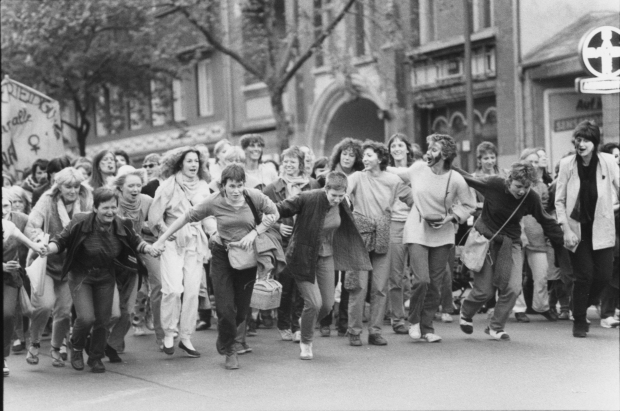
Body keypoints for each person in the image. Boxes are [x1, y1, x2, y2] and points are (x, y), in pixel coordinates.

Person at [152, 164, 280, 370]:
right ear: (223, 186)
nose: (237, 190)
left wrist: (254, 233)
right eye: (232, 186)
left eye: (240, 185)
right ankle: (230, 349)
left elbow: (274, 214)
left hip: (246, 258)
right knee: (225, 308)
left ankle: (227, 336)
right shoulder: (214, 201)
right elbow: (185, 218)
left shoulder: (253, 196)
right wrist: (162, 240)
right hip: (222, 255)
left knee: (241, 311)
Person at [44, 187, 159, 373]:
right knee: (86, 318)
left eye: (114, 207)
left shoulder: (122, 223)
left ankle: (96, 357)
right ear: (95, 208)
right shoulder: (80, 221)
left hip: (106, 275)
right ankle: (77, 348)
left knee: (104, 319)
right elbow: (60, 240)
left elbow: (137, 241)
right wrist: (48, 248)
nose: (110, 212)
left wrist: (149, 249)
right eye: (105, 208)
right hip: (81, 274)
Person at [455, 161, 564, 341]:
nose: (522, 191)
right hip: (486, 240)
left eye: (526, 187)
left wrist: (562, 241)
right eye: (518, 186)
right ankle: (466, 312)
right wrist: (446, 163)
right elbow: (466, 177)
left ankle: (495, 327)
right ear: (509, 180)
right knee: (485, 291)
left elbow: (546, 220)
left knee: (513, 287)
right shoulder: (494, 184)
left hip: (510, 243)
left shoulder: (531, 197)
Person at [276, 171, 372, 359]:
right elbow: (277, 209)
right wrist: (273, 225)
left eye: (340, 195)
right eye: (333, 195)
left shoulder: (344, 203)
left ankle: (306, 322)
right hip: (303, 255)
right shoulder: (308, 197)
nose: (336, 199)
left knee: (327, 306)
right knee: (314, 303)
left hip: (327, 255)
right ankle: (306, 342)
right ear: (325, 189)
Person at [389, 134, 475, 342]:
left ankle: (427, 328)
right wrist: (376, 166)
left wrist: (450, 218)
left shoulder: (455, 179)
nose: (428, 153)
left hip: (443, 234)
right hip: (417, 230)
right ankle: (414, 321)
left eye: (434, 149)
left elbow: (469, 205)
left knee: (436, 284)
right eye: (428, 148)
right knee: (422, 280)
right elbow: (396, 172)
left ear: (445, 155)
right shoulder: (418, 169)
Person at [555, 121, 619, 337]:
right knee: (584, 276)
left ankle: (578, 305)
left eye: (586, 140)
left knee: (603, 276)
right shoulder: (567, 164)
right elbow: (559, 200)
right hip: (577, 230)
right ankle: (580, 321)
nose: (581, 144)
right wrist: (566, 229)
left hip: (602, 227)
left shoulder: (608, 161)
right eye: (578, 140)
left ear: (595, 142)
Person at [346, 140, 412, 346]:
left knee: (381, 286)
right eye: (363, 155)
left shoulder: (393, 180)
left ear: (381, 158)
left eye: (369, 155)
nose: (364, 158)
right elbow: (343, 194)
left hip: (384, 231)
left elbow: (412, 199)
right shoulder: (357, 177)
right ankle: (354, 331)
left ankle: (375, 331)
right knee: (359, 286)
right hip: (360, 234)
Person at [25, 167, 93, 367]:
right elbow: (31, 225)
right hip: (46, 262)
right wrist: (40, 239)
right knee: (44, 306)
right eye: (68, 186)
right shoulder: (48, 200)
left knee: (63, 311)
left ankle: (56, 348)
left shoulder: (87, 199)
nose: (72, 190)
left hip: (70, 265)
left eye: (76, 186)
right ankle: (35, 342)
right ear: (58, 186)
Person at [148, 146, 211, 357]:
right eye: (189, 161)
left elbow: (208, 216)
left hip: (195, 240)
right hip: (172, 241)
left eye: (196, 161)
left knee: (192, 291)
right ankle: (169, 333)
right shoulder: (167, 186)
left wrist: (217, 235)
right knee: (173, 289)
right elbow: (155, 217)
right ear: (180, 164)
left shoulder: (204, 186)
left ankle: (186, 337)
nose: (194, 165)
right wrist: (166, 231)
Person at [264, 146, 320, 341]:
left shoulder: (312, 184)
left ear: (301, 165)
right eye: (285, 161)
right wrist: (278, 226)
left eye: (293, 162)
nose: (288, 165)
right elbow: (262, 213)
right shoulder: (272, 188)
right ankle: (283, 323)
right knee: (286, 285)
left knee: (301, 286)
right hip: (284, 242)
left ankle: (297, 325)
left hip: (305, 240)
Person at [105, 167, 158, 362]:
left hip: (133, 258)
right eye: (131, 186)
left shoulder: (147, 201)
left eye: (138, 185)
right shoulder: (111, 202)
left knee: (127, 309)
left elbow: (160, 217)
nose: (136, 189)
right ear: (120, 187)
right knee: (112, 310)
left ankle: (112, 343)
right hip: (110, 260)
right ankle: (96, 340)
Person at [3, 191, 46, 377]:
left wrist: (44, 244)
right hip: (5, 270)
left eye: (5, 205)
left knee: (7, 314)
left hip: (9, 278)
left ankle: (3, 357)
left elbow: (33, 244)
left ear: (10, 206)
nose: (1, 210)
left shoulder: (10, 225)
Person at [512, 148, 558, 322]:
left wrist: (549, 232)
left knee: (542, 274)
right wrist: (521, 230)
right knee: (516, 274)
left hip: (538, 234)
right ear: (522, 162)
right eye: (530, 161)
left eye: (536, 161)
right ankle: (519, 308)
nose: (533, 164)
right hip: (518, 232)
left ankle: (542, 306)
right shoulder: (514, 183)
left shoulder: (541, 186)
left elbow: (545, 211)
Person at [385, 133, 415, 334]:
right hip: (394, 224)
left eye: (400, 145)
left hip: (416, 224)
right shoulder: (384, 173)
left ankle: (419, 316)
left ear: (407, 149)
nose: (396, 148)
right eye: (393, 145)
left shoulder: (418, 169)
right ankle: (397, 319)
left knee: (422, 275)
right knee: (396, 275)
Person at [599, 142, 620, 329]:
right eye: (615, 156)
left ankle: (610, 310)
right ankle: (606, 313)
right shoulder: (600, 180)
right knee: (611, 272)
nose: (618, 159)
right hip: (607, 231)